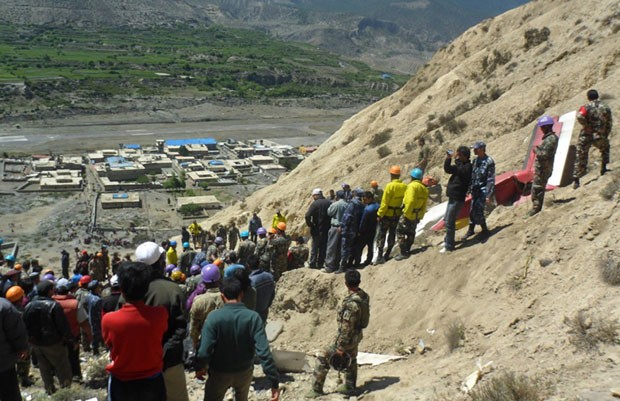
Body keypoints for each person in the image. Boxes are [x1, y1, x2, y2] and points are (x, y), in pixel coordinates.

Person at [195, 277, 280, 401]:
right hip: (244, 372)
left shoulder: (214, 318)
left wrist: (199, 367)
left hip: (219, 372)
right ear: (241, 294)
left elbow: (204, 350)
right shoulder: (253, 317)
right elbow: (264, 352)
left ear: (222, 296)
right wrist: (274, 382)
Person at [102, 261, 169, 401]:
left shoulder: (109, 320)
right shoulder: (160, 314)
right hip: (152, 379)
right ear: (146, 288)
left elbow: (109, 344)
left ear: (121, 289)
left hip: (122, 381)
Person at [135, 241, 189, 401]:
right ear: (160, 263)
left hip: (140, 361)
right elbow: (181, 328)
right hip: (170, 361)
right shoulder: (172, 290)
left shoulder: (130, 290)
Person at [307, 270, 369, 398]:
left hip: (347, 338)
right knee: (351, 358)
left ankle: (316, 390)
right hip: (357, 336)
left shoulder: (351, 304)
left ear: (346, 283)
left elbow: (346, 327)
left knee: (323, 357)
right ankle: (350, 386)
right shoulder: (363, 296)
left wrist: (340, 347)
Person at [22, 280, 74, 395]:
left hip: (36, 343)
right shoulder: (54, 305)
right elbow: (63, 325)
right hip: (53, 343)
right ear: (49, 291)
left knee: (44, 367)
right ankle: (66, 392)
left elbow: (24, 324)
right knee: (62, 367)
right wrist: (70, 339)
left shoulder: (29, 305)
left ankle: (49, 390)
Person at [53, 278, 91, 382]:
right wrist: (90, 334)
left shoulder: (50, 302)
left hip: (55, 338)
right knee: (73, 359)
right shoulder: (74, 303)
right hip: (73, 337)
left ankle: (61, 380)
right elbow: (83, 322)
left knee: (59, 360)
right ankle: (76, 378)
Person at [573, 89, 613, 188]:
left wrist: (587, 126)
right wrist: (605, 133)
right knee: (605, 149)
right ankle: (603, 168)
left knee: (581, 155)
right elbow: (609, 122)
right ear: (597, 96)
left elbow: (579, 116)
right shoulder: (605, 107)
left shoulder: (586, 107)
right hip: (600, 134)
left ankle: (576, 180)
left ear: (588, 97)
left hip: (587, 134)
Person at [440, 146, 472, 253]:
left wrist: (457, 160)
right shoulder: (460, 165)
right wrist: (448, 158)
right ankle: (447, 240)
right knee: (447, 220)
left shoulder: (468, 167)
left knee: (450, 221)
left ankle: (449, 245)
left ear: (464, 156)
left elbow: (461, 170)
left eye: (459, 155)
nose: (457, 156)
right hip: (453, 197)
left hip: (458, 198)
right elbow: (448, 169)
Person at [528, 116, 559, 217]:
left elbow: (544, 155)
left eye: (542, 127)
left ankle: (536, 208)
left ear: (546, 127)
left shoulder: (551, 139)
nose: (541, 129)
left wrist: (536, 150)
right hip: (543, 168)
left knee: (537, 188)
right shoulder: (549, 138)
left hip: (544, 168)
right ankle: (536, 207)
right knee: (537, 187)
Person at [375, 165, 407, 264]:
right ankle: (388, 254)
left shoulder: (390, 186)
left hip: (387, 215)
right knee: (392, 234)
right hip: (397, 214)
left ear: (391, 175)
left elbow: (384, 203)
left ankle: (380, 257)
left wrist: (380, 214)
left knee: (381, 235)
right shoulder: (404, 186)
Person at [396, 168, 429, 260]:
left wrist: (407, 213)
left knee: (400, 231)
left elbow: (410, 201)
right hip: (416, 215)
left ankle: (403, 252)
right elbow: (424, 204)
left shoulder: (412, 186)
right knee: (411, 232)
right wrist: (420, 216)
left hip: (408, 214)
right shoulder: (424, 189)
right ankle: (408, 249)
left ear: (412, 177)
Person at [464, 141, 495, 240]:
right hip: (475, 189)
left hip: (483, 190)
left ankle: (485, 230)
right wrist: (469, 189)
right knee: (472, 210)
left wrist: (488, 194)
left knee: (478, 211)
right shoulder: (475, 161)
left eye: (476, 149)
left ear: (482, 149)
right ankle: (471, 229)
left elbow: (490, 179)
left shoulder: (489, 161)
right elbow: (472, 176)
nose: (474, 151)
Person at [0, 297, 29, 401]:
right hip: (3, 363)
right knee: (9, 394)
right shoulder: (4, 306)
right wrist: (22, 348)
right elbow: (16, 333)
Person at [189, 264, 222, 350]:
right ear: (219, 279)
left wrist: (194, 344)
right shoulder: (227, 297)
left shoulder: (199, 301)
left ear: (204, 282)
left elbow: (194, 328)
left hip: (204, 342)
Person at [339, 189, 365, 271]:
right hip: (355, 230)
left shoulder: (352, 203)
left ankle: (343, 266)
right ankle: (351, 264)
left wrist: (342, 226)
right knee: (353, 247)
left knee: (345, 247)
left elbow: (347, 216)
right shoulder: (362, 205)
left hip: (348, 229)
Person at [304, 188, 331, 269]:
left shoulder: (315, 204)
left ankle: (312, 264)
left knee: (315, 248)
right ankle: (320, 264)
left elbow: (307, 215)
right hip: (326, 229)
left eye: (313, 196)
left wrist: (310, 224)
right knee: (323, 248)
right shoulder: (328, 203)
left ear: (316, 195)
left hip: (316, 229)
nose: (313, 197)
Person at [247, 254, 276, 325]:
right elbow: (273, 294)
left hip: (253, 314)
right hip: (264, 311)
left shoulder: (250, 281)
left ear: (248, 265)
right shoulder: (270, 276)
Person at [324, 190, 348, 272]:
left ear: (337, 196)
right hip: (344, 228)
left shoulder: (335, 204)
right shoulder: (347, 204)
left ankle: (329, 266)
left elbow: (329, 213)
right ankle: (337, 265)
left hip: (335, 227)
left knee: (331, 247)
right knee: (339, 248)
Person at [354, 191, 379, 267]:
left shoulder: (367, 209)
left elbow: (363, 222)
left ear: (370, 198)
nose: (364, 201)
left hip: (365, 232)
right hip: (374, 230)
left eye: (365, 200)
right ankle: (368, 260)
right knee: (371, 247)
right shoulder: (378, 206)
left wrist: (359, 231)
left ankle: (357, 263)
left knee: (359, 248)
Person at [85, 280, 103, 355]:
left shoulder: (88, 296)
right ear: (95, 288)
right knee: (96, 335)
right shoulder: (97, 300)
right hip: (96, 320)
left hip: (89, 317)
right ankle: (96, 351)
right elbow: (100, 312)